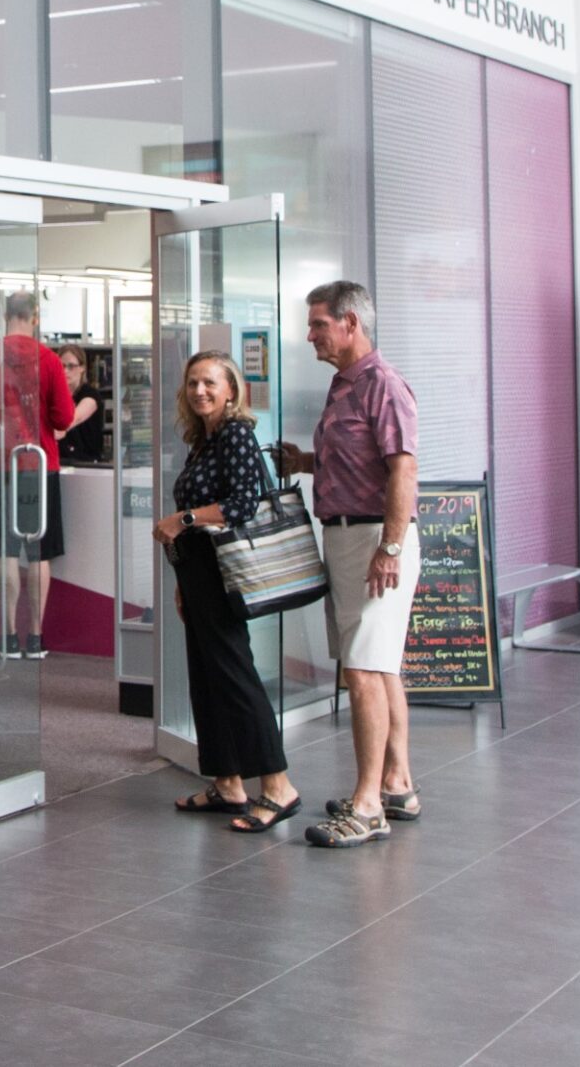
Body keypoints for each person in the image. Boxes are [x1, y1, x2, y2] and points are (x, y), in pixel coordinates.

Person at [275, 282, 420, 850]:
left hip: (372, 541)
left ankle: (367, 807)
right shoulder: (345, 386)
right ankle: (397, 784)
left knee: (361, 671)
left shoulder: (383, 384)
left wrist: (390, 547)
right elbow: (356, 460)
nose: (310, 335)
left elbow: (402, 470)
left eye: (318, 324)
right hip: (346, 536)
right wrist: (306, 462)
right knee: (379, 667)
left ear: (351, 323)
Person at [156, 352, 302, 833]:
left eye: (210, 383)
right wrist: (182, 584)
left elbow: (242, 504)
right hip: (198, 574)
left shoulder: (236, 433)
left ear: (232, 390)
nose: (200, 390)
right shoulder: (204, 439)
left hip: (223, 574)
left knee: (235, 675)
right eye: (193, 382)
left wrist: (184, 519)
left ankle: (278, 786)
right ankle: (228, 783)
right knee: (207, 676)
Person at [0, 291, 74, 660]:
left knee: (5, 552)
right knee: (39, 553)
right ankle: (36, 637)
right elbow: (63, 418)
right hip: (40, 464)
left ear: (4, 314)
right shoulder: (50, 361)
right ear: (36, 316)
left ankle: (8, 637)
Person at [55, 346, 107, 465]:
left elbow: (74, 418)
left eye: (71, 366)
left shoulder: (90, 394)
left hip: (87, 463)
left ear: (82, 368)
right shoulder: (55, 394)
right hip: (60, 461)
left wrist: (58, 428)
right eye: (61, 366)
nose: (65, 371)